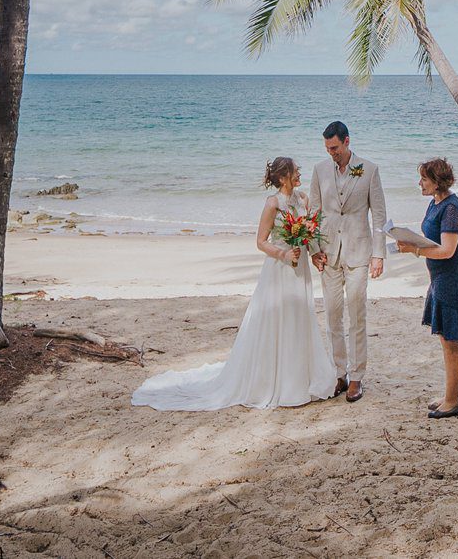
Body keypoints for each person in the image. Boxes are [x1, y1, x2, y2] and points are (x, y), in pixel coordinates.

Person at [129, 157, 339, 411]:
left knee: (299, 318)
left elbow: (310, 233)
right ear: (283, 177)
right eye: (295, 171)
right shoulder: (273, 204)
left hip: (300, 267)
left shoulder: (302, 199)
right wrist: (283, 254)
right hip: (279, 268)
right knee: (277, 319)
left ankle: (301, 378)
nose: (299, 174)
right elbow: (261, 241)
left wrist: (314, 252)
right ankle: (277, 381)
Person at [391, 156, 458, 417]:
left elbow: (447, 251)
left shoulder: (452, 209)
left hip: (453, 279)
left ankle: (453, 402)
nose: (419, 183)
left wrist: (415, 250)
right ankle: (449, 394)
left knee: (450, 342)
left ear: (436, 182)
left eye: (423, 178)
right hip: (439, 279)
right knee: (445, 339)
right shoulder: (435, 203)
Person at [305, 119, 387, 402]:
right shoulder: (319, 170)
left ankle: (356, 377)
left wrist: (379, 254)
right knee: (332, 316)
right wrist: (314, 249)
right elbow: (313, 213)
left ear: (347, 141)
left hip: (358, 252)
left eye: (336, 147)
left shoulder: (369, 170)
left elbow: (379, 217)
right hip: (328, 253)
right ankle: (339, 373)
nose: (332, 153)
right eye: (328, 148)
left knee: (357, 315)